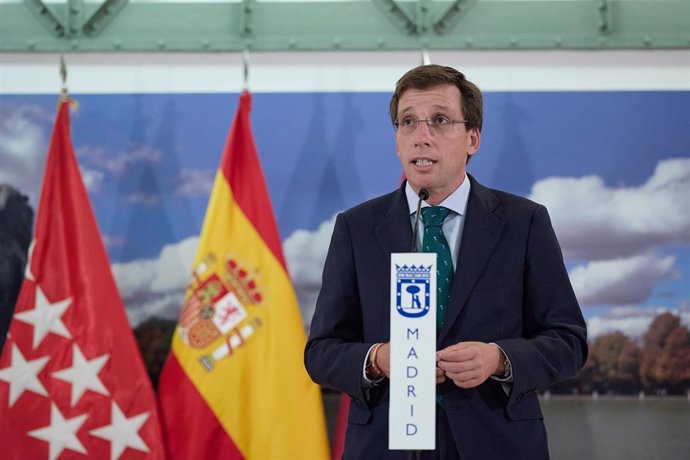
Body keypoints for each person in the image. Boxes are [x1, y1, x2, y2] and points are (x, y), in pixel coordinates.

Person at [304, 64, 588, 459]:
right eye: (408, 123)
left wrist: (499, 359)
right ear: (397, 141)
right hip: (387, 447)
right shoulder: (356, 228)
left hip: (495, 443)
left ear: (472, 137)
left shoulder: (524, 222)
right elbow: (321, 352)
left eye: (439, 120)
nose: (422, 137)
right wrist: (378, 359)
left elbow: (568, 341)